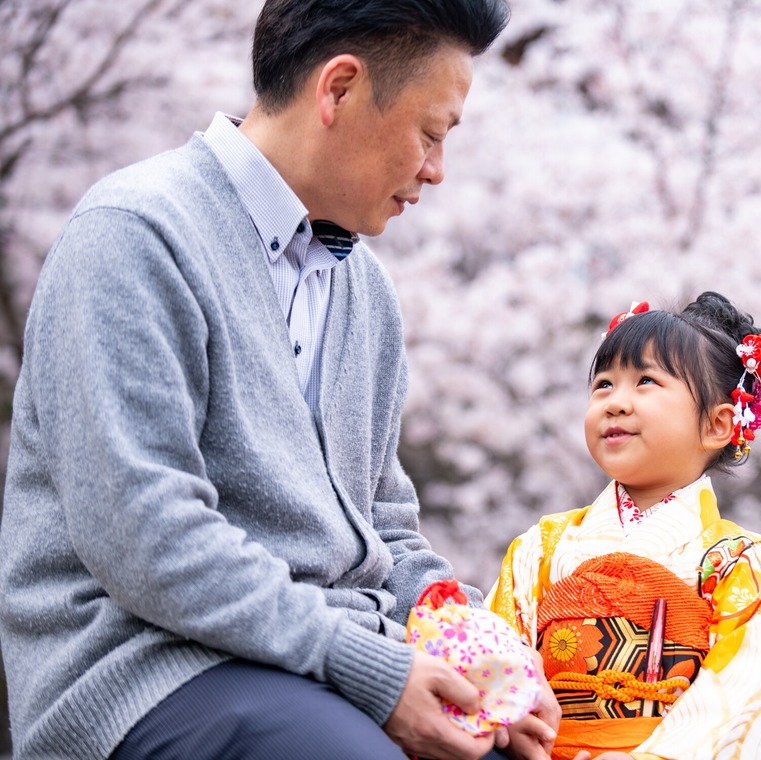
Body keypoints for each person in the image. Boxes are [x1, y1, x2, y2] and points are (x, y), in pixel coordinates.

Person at [0, 2, 560, 759]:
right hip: (147, 669)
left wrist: (471, 647)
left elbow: (384, 526)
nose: (437, 169)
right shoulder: (135, 235)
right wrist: (370, 669)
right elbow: (147, 539)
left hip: (319, 664)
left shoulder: (365, 291)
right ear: (338, 90)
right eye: (430, 134)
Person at [487, 292, 761, 759]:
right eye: (603, 385)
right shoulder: (542, 547)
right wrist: (510, 715)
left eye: (645, 382)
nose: (616, 402)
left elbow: (741, 702)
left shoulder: (742, 566)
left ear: (717, 425)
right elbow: (498, 654)